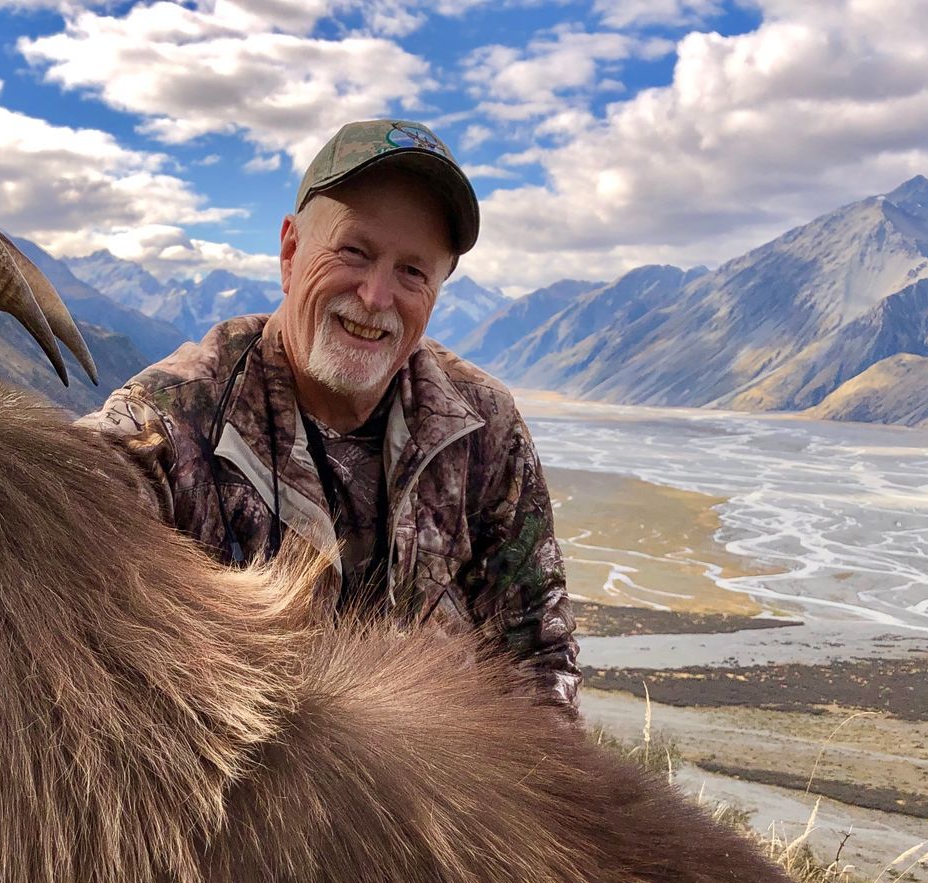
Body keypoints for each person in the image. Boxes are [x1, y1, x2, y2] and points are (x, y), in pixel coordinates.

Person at [80, 118, 580, 715]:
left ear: (439, 288)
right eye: (354, 252)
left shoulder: (485, 427)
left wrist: (530, 804)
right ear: (291, 252)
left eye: (412, 271)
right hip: (239, 796)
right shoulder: (172, 419)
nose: (375, 296)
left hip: (443, 797)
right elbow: (66, 504)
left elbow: (538, 654)